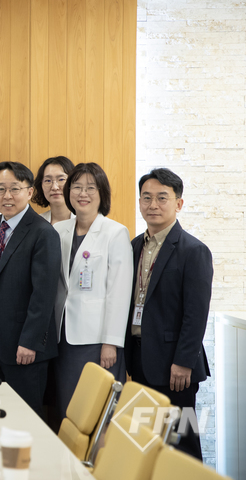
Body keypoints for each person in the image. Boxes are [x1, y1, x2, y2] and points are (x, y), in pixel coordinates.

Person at [125, 168, 212, 461]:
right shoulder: (134, 246)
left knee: (182, 445)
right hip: (140, 358)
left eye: (162, 198)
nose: (153, 205)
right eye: (146, 197)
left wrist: (183, 362)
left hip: (175, 367)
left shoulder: (193, 250)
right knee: (146, 443)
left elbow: (196, 314)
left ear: (178, 203)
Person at [52, 163, 133, 421]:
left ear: (102, 194)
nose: (82, 193)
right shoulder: (59, 231)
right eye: (76, 187)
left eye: (90, 188)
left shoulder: (115, 233)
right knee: (68, 408)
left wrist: (111, 342)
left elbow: (119, 292)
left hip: (97, 340)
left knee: (97, 412)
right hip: (63, 337)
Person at [0, 161, 61, 416]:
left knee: (25, 419)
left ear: (29, 192)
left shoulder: (43, 233)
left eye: (14, 189)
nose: (7, 196)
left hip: (24, 348)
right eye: (0, 189)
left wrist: (30, 342)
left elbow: (44, 294)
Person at [32, 156, 75, 225]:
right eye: (48, 180)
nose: (54, 187)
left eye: (61, 179)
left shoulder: (87, 222)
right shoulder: (35, 224)